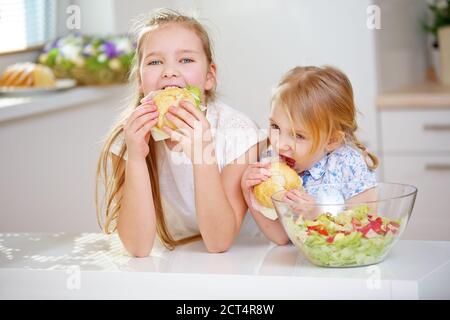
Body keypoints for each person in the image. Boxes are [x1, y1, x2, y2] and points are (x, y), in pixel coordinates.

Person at [96, 8, 263, 257]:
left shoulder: (238, 133)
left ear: (209, 77)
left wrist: (202, 153)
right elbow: (138, 247)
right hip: (175, 260)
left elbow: (219, 242)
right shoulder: (127, 138)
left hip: (241, 257)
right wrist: (137, 158)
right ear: (141, 82)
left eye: (185, 60)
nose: (169, 71)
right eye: (154, 62)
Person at [241, 66, 379, 245]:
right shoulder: (278, 163)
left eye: (298, 136)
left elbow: (364, 230)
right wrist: (249, 194)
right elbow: (282, 238)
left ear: (331, 140)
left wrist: (315, 214)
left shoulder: (348, 165)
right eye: (275, 127)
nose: (281, 145)